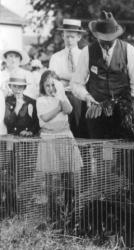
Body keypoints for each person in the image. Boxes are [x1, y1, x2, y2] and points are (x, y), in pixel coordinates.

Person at [71, 11, 134, 140]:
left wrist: (132, 105)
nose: (106, 43)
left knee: (124, 153)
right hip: (97, 113)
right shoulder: (87, 52)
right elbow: (76, 83)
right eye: (102, 39)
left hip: (123, 113)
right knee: (103, 154)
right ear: (97, 36)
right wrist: (87, 96)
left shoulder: (129, 50)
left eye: (110, 40)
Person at [36, 70, 82, 220]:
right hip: (49, 139)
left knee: (68, 177)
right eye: (47, 85)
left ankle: (70, 213)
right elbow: (45, 117)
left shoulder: (62, 98)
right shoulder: (40, 100)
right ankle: (53, 214)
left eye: (53, 85)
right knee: (51, 179)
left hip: (65, 137)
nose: (50, 88)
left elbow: (69, 109)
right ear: (43, 86)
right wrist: (57, 108)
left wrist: (61, 95)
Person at [49, 19, 86, 138]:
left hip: (80, 99)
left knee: (80, 132)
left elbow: (84, 79)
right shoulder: (56, 57)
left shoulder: (84, 55)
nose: (69, 40)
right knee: (62, 133)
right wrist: (74, 77)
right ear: (62, 36)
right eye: (67, 36)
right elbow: (52, 79)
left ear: (78, 37)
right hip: (61, 97)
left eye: (72, 37)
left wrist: (61, 75)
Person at [4, 69, 39, 136]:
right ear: (10, 86)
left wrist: (31, 132)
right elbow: (7, 122)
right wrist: (17, 108)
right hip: (12, 140)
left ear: (24, 87)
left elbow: (37, 122)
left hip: (27, 139)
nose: (17, 90)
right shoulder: (8, 101)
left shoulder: (31, 102)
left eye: (20, 87)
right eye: (14, 86)